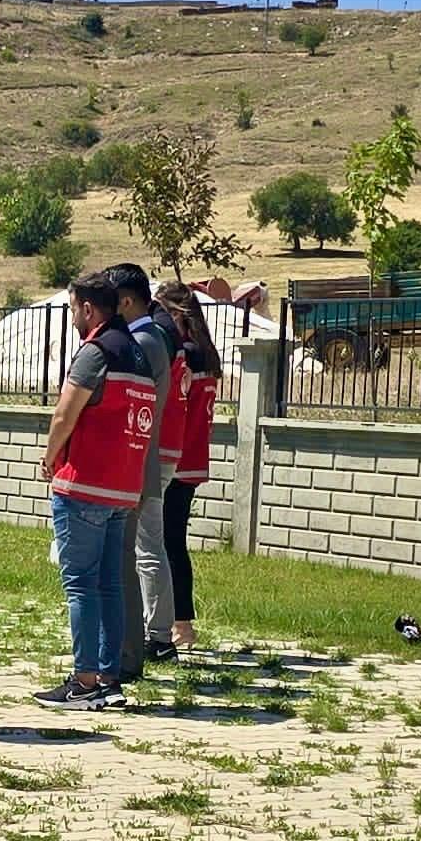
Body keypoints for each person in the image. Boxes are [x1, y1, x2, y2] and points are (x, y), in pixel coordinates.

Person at [37, 267, 156, 709]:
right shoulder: (139, 352)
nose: (71, 317)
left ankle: (83, 681)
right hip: (123, 487)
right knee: (109, 584)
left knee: (80, 585)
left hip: (85, 482)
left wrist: (50, 459)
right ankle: (109, 678)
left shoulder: (95, 352)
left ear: (88, 309)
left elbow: (64, 416)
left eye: (72, 309)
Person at [108, 264, 180, 672]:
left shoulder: (144, 340)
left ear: (128, 301)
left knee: (145, 550)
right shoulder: (150, 336)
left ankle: (155, 636)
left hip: (140, 456)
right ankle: (151, 635)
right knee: (144, 548)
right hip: (143, 455)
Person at [151, 278, 225, 653]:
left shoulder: (186, 353)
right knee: (172, 541)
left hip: (176, 458)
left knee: (165, 544)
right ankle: (182, 622)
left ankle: (180, 623)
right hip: (194, 456)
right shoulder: (207, 354)